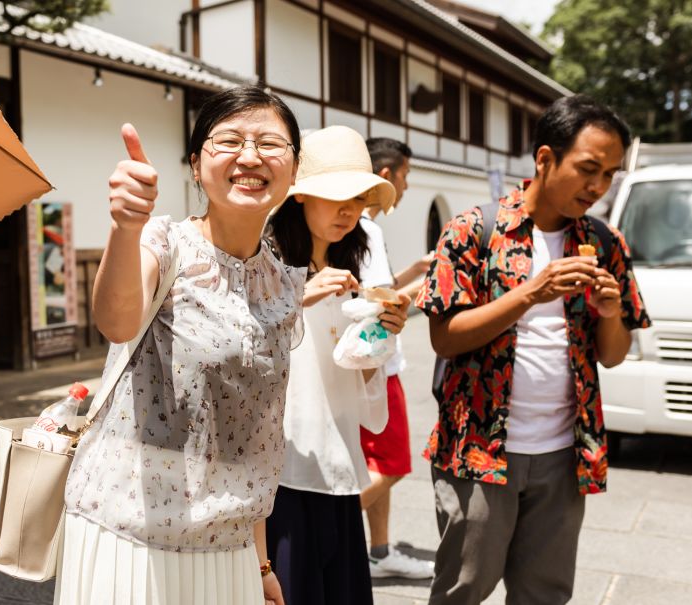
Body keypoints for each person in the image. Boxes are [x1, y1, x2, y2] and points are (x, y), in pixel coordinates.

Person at [56, 86, 305, 605]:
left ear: (294, 168)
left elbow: (255, 438)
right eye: (230, 140)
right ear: (195, 164)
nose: (251, 157)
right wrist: (126, 227)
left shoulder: (282, 284)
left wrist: (261, 563)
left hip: (228, 543)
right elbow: (117, 320)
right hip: (132, 534)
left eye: (270, 144)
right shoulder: (163, 243)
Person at [418, 95, 650, 605]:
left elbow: (613, 355)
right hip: (478, 448)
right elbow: (444, 336)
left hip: (564, 452)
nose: (598, 186)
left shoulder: (605, 242)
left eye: (609, 174)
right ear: (545, 158)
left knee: (544, 594)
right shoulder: (473, 228)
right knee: (462, 588)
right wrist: (531, 292)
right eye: (589, 169)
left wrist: (609, 313)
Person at [264, 125, 411, 604]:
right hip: (283, 469)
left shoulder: (353, 282)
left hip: (341, 467)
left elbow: (365, 397)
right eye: (334, 197)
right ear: (300, 198)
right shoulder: (265, 269)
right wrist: (296, 301)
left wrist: (380, 333)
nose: (347, 210)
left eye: (356, 198)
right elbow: (244, 364)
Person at [356, 138, 434, 580]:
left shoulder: (358, 227)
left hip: (368, 363)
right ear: (386, 176)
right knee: (393, 465)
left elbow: (377, 286)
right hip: (377, 364)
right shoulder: (366, 229)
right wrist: (433, 286)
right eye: (405, 177)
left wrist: (417, 270)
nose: (405, 188)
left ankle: (380, 551)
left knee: (374, 464)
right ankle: (322, 527)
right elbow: (374, 301)